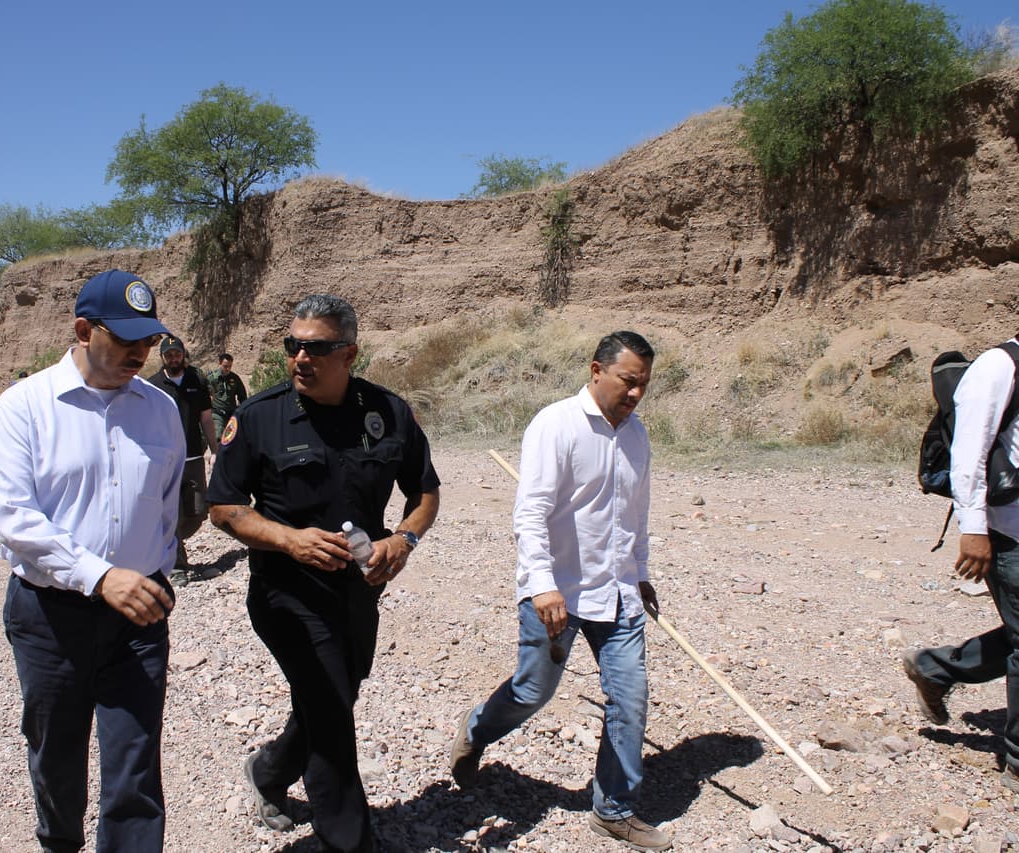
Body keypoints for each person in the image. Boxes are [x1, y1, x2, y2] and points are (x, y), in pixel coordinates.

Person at [207, 294, 440, 853]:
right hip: (286, 594)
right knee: (333, 718)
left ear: (349, 353)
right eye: (293, 346)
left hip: (358, 594)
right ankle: (348, 840)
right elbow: (223, 508)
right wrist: (290, 539)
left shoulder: (389, 413)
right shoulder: (260, 416)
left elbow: (426, 493)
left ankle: (266, 772)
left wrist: (402, 540)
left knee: (335, 694)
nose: (300, 359)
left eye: (316, 348)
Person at [450, 331, 672, 852]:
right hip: (559, 593)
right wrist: (544, 585)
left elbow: (635, 516)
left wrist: (639, 572)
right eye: (628, 381)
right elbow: (530, 514)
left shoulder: (637, 435)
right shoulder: (556, 424)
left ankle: (613, 810)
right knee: (533, 692)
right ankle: (477, 731)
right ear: (596, 370)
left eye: (644, 384)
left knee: (630, 698)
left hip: (617, 595)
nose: (636, 393)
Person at [0, 269, 184, 852]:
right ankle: (58, 842)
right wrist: (99, 576)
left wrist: (153, 572)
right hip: (51, 616)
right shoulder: (25, 406)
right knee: (57, 753)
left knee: (136, 762)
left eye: (148, 341)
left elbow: (167, 505)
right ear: (82, 329)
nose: (141, 353)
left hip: (139, 616)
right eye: (126, 340)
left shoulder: (161, 409)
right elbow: (16, 518)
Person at [903, 266, 1019, 811]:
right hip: (1012, 529)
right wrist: (973, 530)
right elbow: (967, 453)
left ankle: (936, 667)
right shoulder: (1001, 367)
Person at [147, 335, 221, 587]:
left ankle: (174, 542)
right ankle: (177, 564)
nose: (173, 358)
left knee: (199, 511)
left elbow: (207, 418)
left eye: (176, 353)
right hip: (166, 460)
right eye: (168, 355)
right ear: (162, 358)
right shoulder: (153, 385)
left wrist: (215, 449)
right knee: (173, 513)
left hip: (193, 456)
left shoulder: (196, 381)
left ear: (183, 354)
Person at [207, 352, 248, 453]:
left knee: (232, 438)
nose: (228, 369)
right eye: (225, 366)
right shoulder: (212, 378)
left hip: (231, 413)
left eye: (230, 366)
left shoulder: (235, 378)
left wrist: (243, 411)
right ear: (220, 364)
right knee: (218, 436)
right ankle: (216, 458)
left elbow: (242, 396)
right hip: (217, 413)